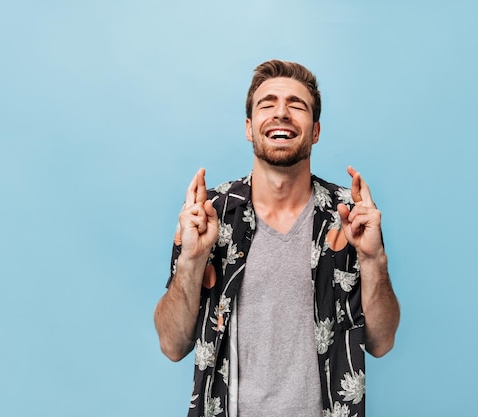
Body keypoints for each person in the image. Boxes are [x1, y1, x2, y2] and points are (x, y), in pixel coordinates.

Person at [154, 59, 400, 417]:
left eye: (296, 105)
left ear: (315, 131)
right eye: (267, 104)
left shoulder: (350, 215)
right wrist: (192, 260)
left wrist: (373, 259)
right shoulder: (211, 214)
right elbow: (172, 345)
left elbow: (381, 343)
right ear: (249, 127)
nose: (281, 113)